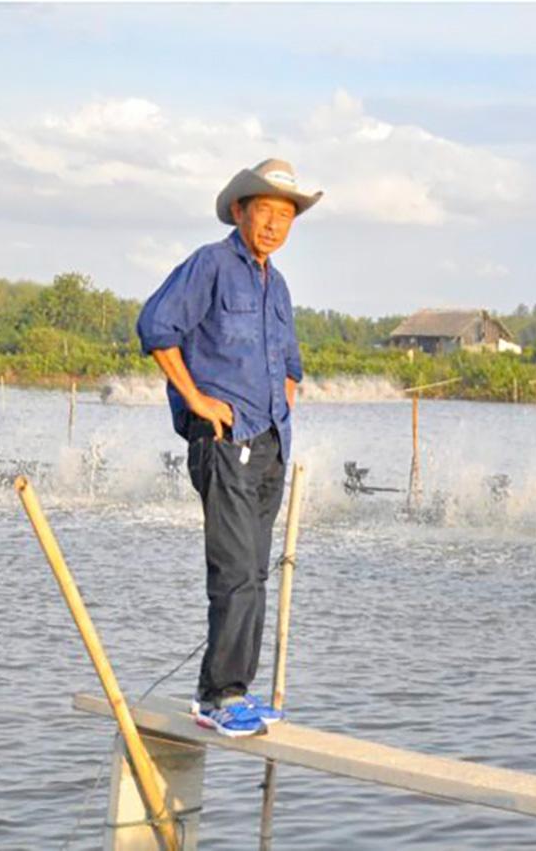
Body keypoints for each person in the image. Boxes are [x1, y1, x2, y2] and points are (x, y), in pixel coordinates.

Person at [136, 158, 322, 737]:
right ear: (240, 210)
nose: (273, 225)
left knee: (256, 572)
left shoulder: (277, 284)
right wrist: (196, 399)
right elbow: (156, 328)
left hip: (268, 443)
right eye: (264, 211)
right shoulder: (211, 265)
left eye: (284, 216)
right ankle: (217, 696)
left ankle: (237, 688)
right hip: (223, 440)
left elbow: (290, 364)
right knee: (235, 570)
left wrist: (282, 408)